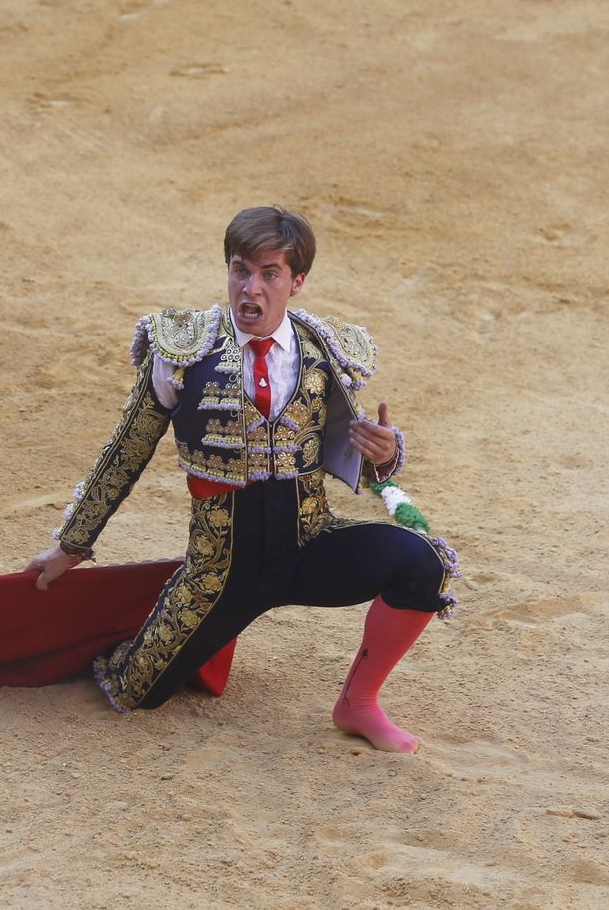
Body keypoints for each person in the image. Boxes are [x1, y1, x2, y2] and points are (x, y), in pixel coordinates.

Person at [26, 206, 459, 752]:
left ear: (296, 281)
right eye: (239, 270)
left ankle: (359, 703)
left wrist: (387, 453)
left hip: (307, 544)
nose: (250, 288)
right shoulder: (181, 350)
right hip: (219, 568)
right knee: (134, 690)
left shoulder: (323, 351)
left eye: (269, 274)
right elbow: (126, 452)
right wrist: (72, 546)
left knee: (422, 562)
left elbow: (360, 457)